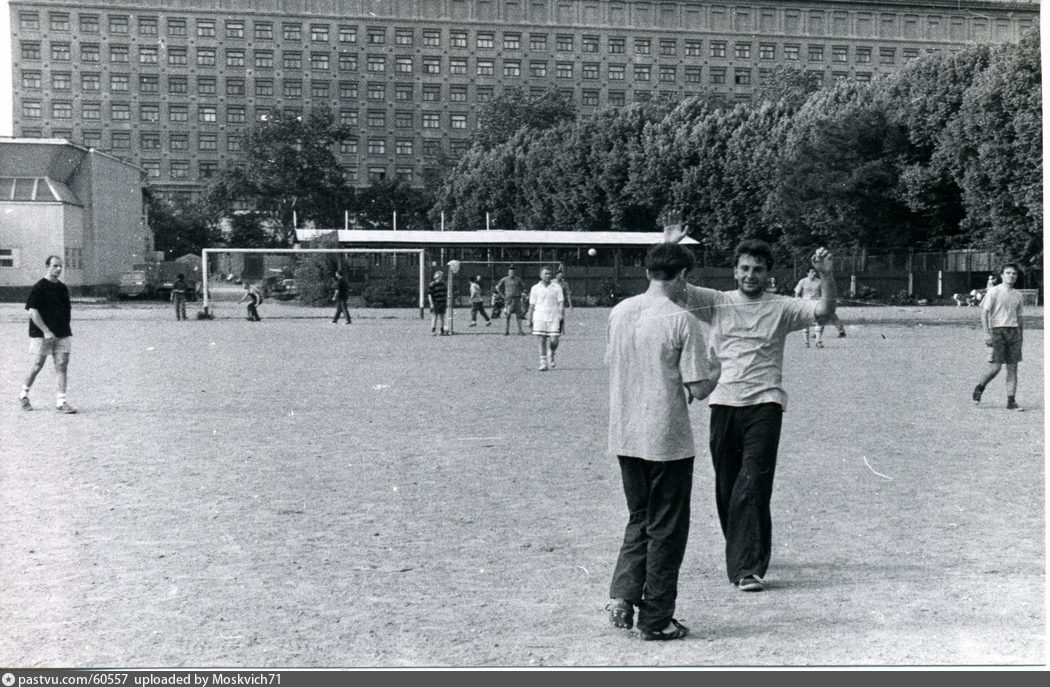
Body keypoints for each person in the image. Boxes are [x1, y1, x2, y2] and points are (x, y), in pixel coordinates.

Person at [668, 226, 837, 592]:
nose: (750, 275)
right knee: (728, 488)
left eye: (757, 270)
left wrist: (826, 275)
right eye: (745, 268)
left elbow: (823, 312)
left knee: (752, 484)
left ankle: (746, 567)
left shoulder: (781, 307)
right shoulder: (717, 301)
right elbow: (675, 290)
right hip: (724, 403)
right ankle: (745, 547)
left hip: (765, 404)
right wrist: (670, 245)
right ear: (735, 271)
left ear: (768, 274)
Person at [605, 242, 718, 641]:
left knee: (639, 517)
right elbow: (700, 388)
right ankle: (656, 618)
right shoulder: (680, 318)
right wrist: (717, 363)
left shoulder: (620, 312)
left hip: (624, 433)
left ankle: (623, 592)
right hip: (666, 437)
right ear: (683, 277)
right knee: (667, 528)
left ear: (648, 271)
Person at [19, 255, 77, 413]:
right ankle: (23, 395)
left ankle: (61, 402)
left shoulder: (62, 288)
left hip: (61, 333)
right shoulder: (39, 287)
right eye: (55, 266)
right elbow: (32, 311)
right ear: (47, 266)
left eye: (60, 266)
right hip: (42, 334)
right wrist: (46, 331)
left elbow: (66, 310)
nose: (58, 269)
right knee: (38, 365)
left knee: (62, 365)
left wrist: (63, 329)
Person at [972, 264, 1025, 410]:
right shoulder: (994, 292)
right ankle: (980, 387)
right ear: (1002, 275)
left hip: (1014, 332)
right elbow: (984, 313)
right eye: (1008, 273)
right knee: (995, 367)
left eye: (1014, 273)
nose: (1011, 276)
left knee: (1013, 368)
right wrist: (986, 334)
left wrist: (1021, 336)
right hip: (997, 331)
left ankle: (1011, 401)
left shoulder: (1018, 295)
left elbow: (1020, 318)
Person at [793, 267, 845, 346]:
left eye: (815, 272)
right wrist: (798, 302)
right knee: (805, 323)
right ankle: (806, 342)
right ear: (808, 273)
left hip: (816, 304)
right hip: (805, 304)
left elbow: (824, 293)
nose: (814, 273)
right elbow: (797, 293)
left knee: (819, 321)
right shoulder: (802, 281)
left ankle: (818, 341)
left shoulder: (819, 282)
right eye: (812, 272)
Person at [526, 266, 565, 371]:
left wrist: (561, 315)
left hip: (554, 316)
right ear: (540, 275)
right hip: (540, 316)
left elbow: (561, 302)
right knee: (541, 339)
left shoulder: (557, 287)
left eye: (549, 274)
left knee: (554, 341)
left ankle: (551, 353)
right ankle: (543, 362)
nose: (548, 276)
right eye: (545, 274)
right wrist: (529, 319)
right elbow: (532, 305)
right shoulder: (535, 288)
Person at [495, 266, 527, 336]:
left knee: (519, 315)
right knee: (507, 315)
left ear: (515, 272)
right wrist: (502, 296)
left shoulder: (518, 279)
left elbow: (523, 287)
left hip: (517, 299)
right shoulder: (504, 279)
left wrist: (523, 293)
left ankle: (520, 330)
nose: (511, 273)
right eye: (510, 272)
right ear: (508, 272)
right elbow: (497, 287)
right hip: (508, 300)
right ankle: (506, 331)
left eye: (513, 272)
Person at [427, 270, 448, 335]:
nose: (442, 277)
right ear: (437, 277)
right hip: (436, 303)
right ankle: (433, 330)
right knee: (434, 317)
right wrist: (431, 303)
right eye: (441, 276)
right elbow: (429, 294)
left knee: (442, 317)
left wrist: (446, 302)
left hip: (442, 303)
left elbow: (445, 294)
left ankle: (442, 330)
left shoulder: (443, 284)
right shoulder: (432, 284)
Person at [554, 267, 573, 334]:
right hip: (552, 301)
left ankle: (562, 329)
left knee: (561, 316)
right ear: (556, 275)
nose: (561, 275)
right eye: (560, 274)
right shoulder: (552, 282)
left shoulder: (565, 284)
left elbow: (568, 294)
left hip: (560, 302)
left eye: (562, 274)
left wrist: (570, 304)